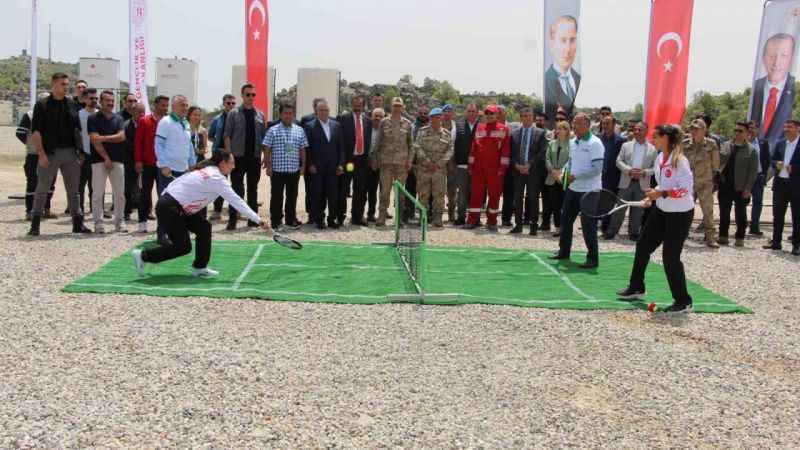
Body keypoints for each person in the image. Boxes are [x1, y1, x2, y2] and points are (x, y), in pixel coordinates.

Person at [132, 152, 270, 278]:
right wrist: (258, 220)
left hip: (174, 205)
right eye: (231, 163)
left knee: (204, 227)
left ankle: (199, 267)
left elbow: (178, 183)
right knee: (183, 247)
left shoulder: (207, 170)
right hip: (170, 207)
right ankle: (143, 256)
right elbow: (237, 201)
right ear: (222, 163)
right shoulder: (216, 178)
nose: (233, 167)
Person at [617, 124, 696, 313]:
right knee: (643, 245)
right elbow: (663, 184)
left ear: (666, 138)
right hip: (661, 210)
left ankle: (684, 301)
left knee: (670, 257)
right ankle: (636, 287)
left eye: (657, 136)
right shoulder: (660, 157)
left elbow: (685, 190)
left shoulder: (681, 161)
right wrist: (650, 197)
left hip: (680, 214)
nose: (653, 139)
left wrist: (660, 194)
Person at [27, 73, 91, 236]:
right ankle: (35, 224)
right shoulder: (42, 105)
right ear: (54, 84)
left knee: (74, 190)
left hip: (70, 152)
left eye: (67, 84)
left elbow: (77, 130)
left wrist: (80, 151)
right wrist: (41, 154)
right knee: (42, 188)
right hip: (50, 153)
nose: (66, 87)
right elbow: (36, 132)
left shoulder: (71, 104)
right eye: (63, 84)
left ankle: (77, 223)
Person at [550, 113, 603, 269]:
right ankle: (563, 252)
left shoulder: (595, 143)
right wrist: (563, 174)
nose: (574, 126)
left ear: (587, 125)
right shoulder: (573, 142)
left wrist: (576, 176)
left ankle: (593, 259)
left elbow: (597, 169)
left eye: (578, 123)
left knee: (588, 225)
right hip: (573, 189)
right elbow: (570, 163)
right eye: (574, 123)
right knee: (565, 221)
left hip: (590, 191)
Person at [223, 83, 267, 229]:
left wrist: (265, 156)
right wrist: (229, 156)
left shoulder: (260, 114)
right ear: (242, 96)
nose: (250, 97)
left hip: (254, 157)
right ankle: (233, 219)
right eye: (247, 94)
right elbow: (227, 135)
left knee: (253, 189)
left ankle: (253, 219)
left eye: (253, 95)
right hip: (237, 157)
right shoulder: (233, 113)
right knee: (236, 190)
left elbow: (264, 138)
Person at [155, 94, 196, 242]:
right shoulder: (165, 122)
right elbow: (158, 145)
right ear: (173, 106)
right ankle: (161, 234)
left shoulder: (185, 123)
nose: (185, 108)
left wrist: (193, 164)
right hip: (168, 170)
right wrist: (164, 164)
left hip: (183, 170)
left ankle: (177, 234)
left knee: (180, 204)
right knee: (166, 204)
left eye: (186, 105)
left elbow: (189, 145)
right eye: (182, 105)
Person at [607, 121, 657, 241]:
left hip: (642, 183)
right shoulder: (626, 145)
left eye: (640, 129)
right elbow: (618, 161)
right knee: (620, 208)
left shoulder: (653, 148)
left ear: (646, 131)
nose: (637, 132)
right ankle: (612, 231)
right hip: (626, 181)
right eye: (635, 129)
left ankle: (634, 233)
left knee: (638, 210)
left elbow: (656, 167)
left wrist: (644, 172)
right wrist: (629, 170)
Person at [465, 105, 511, 232]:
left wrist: (502, 168)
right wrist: (470, 165)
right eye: (487, 114)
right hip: (478, 168)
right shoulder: (480, 127)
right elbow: (473, 148)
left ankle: (492, 222)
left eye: (492, 113)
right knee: (476, 195)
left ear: (497, 115)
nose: (489, 116)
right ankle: (472, 220)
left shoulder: (504, 129)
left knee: (494, 195)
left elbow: (505, 151)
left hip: (495, 169)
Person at [263, 102, 308, 230]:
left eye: (290, 113)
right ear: (281, 115)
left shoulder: (299, 130)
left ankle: (290, 220)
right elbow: (267, 148)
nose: (288, 115)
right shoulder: (273, 130)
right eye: (285, 113)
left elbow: (303, 149)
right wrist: (268, 166)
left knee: (292, 197)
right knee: (277, 196)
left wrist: (303, 165)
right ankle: (276, 222)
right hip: (277, 170)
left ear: (293, 114)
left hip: (293, 170)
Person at [88, 90, 128, 233]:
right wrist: (106, 158)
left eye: (112, 101)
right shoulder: (92, 118)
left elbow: (121, 137)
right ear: (101, 101)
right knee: (98, 193)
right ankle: (98, 223)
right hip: (99, 160)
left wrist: (103, 138)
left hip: (118, 160)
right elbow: (94, 140)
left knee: (120, 194)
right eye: (107, 101)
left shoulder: (119, 119)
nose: (111, 103)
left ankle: (119, 222)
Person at [370, 97, 414, 227]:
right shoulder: (384, 122)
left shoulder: (407, 124)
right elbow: (377, 143)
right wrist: (375, 159)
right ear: (391, 107)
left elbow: (411, 145)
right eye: (395, 105)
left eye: (399, 106)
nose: (397, 108)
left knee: (400, 194)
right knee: (385, 192)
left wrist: (410, 161)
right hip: (386, 163)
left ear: (403, 108)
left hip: (401, 164)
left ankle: (399, 219)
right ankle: (381, 217)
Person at [717, 122, 759, 247]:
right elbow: (718, 162)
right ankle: (723, 236)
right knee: (724, 212)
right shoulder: (725, 146)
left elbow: (753, 172)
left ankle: (740, 237)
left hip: (741, 187)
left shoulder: (751, 150)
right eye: (736, 130)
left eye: (740, 131)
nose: (737, 133)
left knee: (740, 214)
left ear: (747, 133)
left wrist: (748, 188)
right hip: (725, 185)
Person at [305, 100, 345, 229]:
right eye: (321, 110)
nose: (324, 112)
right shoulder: (309, 126)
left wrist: (340, 164)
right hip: (317, 167)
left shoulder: (336, 125)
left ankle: (332, 219)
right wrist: (310, 164)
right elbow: (307, 148)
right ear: (316, 112)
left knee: (333, 195)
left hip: (333, 168)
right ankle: (319, 220)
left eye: (326, 110)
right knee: (319, 194)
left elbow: (341, 147)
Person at [750, 33, 797, 145]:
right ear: (763, 58)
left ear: (792, 59)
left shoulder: (796, 91)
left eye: (784, 56)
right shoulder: (754, 90)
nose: (776, 63)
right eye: (771, 56)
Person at [17, 94, 57, 221]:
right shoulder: (29, 115)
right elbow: (20, 133)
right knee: (33, 183)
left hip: (51, 155)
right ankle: (30, 211)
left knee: (50, 183)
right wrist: (31, 145)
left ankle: (47, 209)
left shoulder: (54, 115)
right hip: (34, 156)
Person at [763, 119, 800, 255]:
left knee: (797, 217)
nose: (786, 129)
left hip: (796, 186)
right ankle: (776, 242)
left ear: (797, 128)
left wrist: (795, 168)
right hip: (780, 185)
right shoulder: (780, 143)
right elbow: (771, 159)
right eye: (785, 127)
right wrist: (775, 163)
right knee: (777, 215)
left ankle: (796, 245)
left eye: (789, 127)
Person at [509, 107, 547, 235]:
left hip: (533, 171)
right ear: (520, 118)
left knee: (533, 198)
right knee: (517, 198)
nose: (527, 118)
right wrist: (516, 165)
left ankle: (533, 226)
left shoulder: (540, 133)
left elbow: (542, 153)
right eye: (524, 116)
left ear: (533, 117)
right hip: (518, 171)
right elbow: (511, 153)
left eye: (530, 116)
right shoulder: (514, 133)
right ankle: (518, 225)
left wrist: (529, 165)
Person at [134, 95, 169, 233]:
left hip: (163, 165)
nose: (165, 108)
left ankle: (164, 223)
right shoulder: (144, 121)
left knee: (164, 195)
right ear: (155, 105)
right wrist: (138, 160)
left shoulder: (168, 122)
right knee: (145, 194)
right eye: (163, 105)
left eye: (167, 105)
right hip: (148, 164)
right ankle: (142, 222)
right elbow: (138, 142)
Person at [414, 107, 453, 228]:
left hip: (439, 170)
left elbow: (450, 150)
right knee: (423, 195)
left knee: (439, 195)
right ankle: (422, 218)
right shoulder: (422, 131)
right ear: (430, 118)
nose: (435, 119)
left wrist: (439, 164)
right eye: (433, 117)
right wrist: (427, 162)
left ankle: (437, 219)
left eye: (438, 117)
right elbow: (417, 147)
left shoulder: (447, 134)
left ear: (441, 118)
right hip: (424, 169)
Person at [684, 118, 720, 248]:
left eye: (696, 129)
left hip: (705, 183)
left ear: (704, 130)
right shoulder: (685, 143)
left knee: (708, 211)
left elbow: (716, 165)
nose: (693, 131)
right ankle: (681, 235)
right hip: (688, 184)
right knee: (685, 211)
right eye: (692, 128)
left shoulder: (711, 144)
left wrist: (709, 178)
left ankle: (711, 238)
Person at [337, 96, 371, 226]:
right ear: (352, 105)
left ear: (363, 106)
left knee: (360, 189)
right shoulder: (343, 119)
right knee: (344, 188)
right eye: (355, 105)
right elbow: (340, 141)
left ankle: (357, 216)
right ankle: (340, 216)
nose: (358, 107)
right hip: (349, 161)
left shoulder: (368, 121)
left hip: (361, 161)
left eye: (360, 105)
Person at [544, 15, 581, 123]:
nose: (568, 49)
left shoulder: (578, 79)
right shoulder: (545, 81)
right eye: (563, 40)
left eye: (572, 40)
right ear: (551, 43)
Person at [207, 94, 237, 220]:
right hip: (219, 156)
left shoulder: (237, 118)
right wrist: (218, 145)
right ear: (223, 104)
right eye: (228, 103)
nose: (230, 105)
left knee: (236, 184)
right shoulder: (217, 119)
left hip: (235, 155)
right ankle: (217, 210)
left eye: (233, 103)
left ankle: (235, 211)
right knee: (219, 183)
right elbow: (210, 135)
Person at [452, 103, 480, 226]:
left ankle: (476, 219)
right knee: (462, 193)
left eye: (474, 111)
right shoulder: (458, 126)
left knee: (476, 194)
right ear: (465, 112)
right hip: (462, 166)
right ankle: (461, 218)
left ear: (477, 113)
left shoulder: (483, 127)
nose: (471, 113)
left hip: (478, 167)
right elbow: (452, 145)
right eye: (469, 111)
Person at [599, 115, 625, 238]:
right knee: (600, 202)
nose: (605, 126)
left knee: (610, 202)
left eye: (607, 123)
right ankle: (602, 226)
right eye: (603, 123)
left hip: (613, 177)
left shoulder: (620, 141)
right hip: (598, 176)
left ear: (614, 125)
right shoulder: (598, 139)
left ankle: (607, 228)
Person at [544, 120, 571, 237]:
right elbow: (547, 159)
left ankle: (566, 227)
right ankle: (558, 227)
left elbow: (571, 160)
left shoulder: (572, 144)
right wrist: (553, 171)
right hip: (552, 178)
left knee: (565, 205)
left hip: (565, 178)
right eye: (558, 129)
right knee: (555, 205)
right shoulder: (551, 144)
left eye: (562, 128)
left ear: (567, 131)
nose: (559, 131)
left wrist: (561, 172)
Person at [405, 105, 430, 223]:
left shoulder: (432, 127)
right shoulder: (412, 126)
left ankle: (424, 215)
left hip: (426, 165)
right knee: (410, 189)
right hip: (413, 164)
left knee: (426, 192)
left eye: (425, 113)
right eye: (421, 113)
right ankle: (408, 213)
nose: (423, 115)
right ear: (417, 113)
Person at [123, 102, 145, 222]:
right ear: (132, 113)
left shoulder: (147, 124)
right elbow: (125, 142)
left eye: (143, 112)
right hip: (130, 161)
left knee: (145, 188)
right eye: (139, 112)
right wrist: (138, 149)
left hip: (145, 161)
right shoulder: (126, 125)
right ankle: (126, 211)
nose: (141, 114)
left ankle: (146, 211)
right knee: (128, 188)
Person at [748, 121, 771, 237]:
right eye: (749, 128)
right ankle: (741, 225)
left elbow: (767, 160)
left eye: (753, 128)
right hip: (745, 178)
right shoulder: (743, 142)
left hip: (758, 177)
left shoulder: (763, 143)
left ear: (758, 130)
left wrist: (764, 175)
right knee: (742, 202)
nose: (751, 130)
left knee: (757, 202)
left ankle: (754, 226)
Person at [77, 88, 98, 214]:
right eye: (91, 98)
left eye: (96, 98)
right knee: (80, 185)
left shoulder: (99, 114)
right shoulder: (79, 115)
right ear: (84, 99)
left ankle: (95, 210)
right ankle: (79, 210)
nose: (94, 100)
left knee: (95, 186)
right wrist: (79, 152)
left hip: (97, 154)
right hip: (83, 154)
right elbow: (75, 135)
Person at [366, 108, 385, 223]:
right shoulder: (366, 129)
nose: (377, 118)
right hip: (368, 165)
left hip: (382, 165)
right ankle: (370, 214)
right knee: (371, 191)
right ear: (371, 117)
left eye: (380, 116)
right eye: (375, 116)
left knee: (383, 192)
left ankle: (382, 214)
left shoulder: (386, 131)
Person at [441, 104, 459, 223]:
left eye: (450, 111)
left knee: (452, 190)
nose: (447, 113)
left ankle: (452, 214)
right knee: (438, 188)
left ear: (453, 113)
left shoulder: (456, 126)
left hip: (452, 162)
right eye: (445, 111)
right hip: (439, 161)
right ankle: (437, 214)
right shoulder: (437, 124)